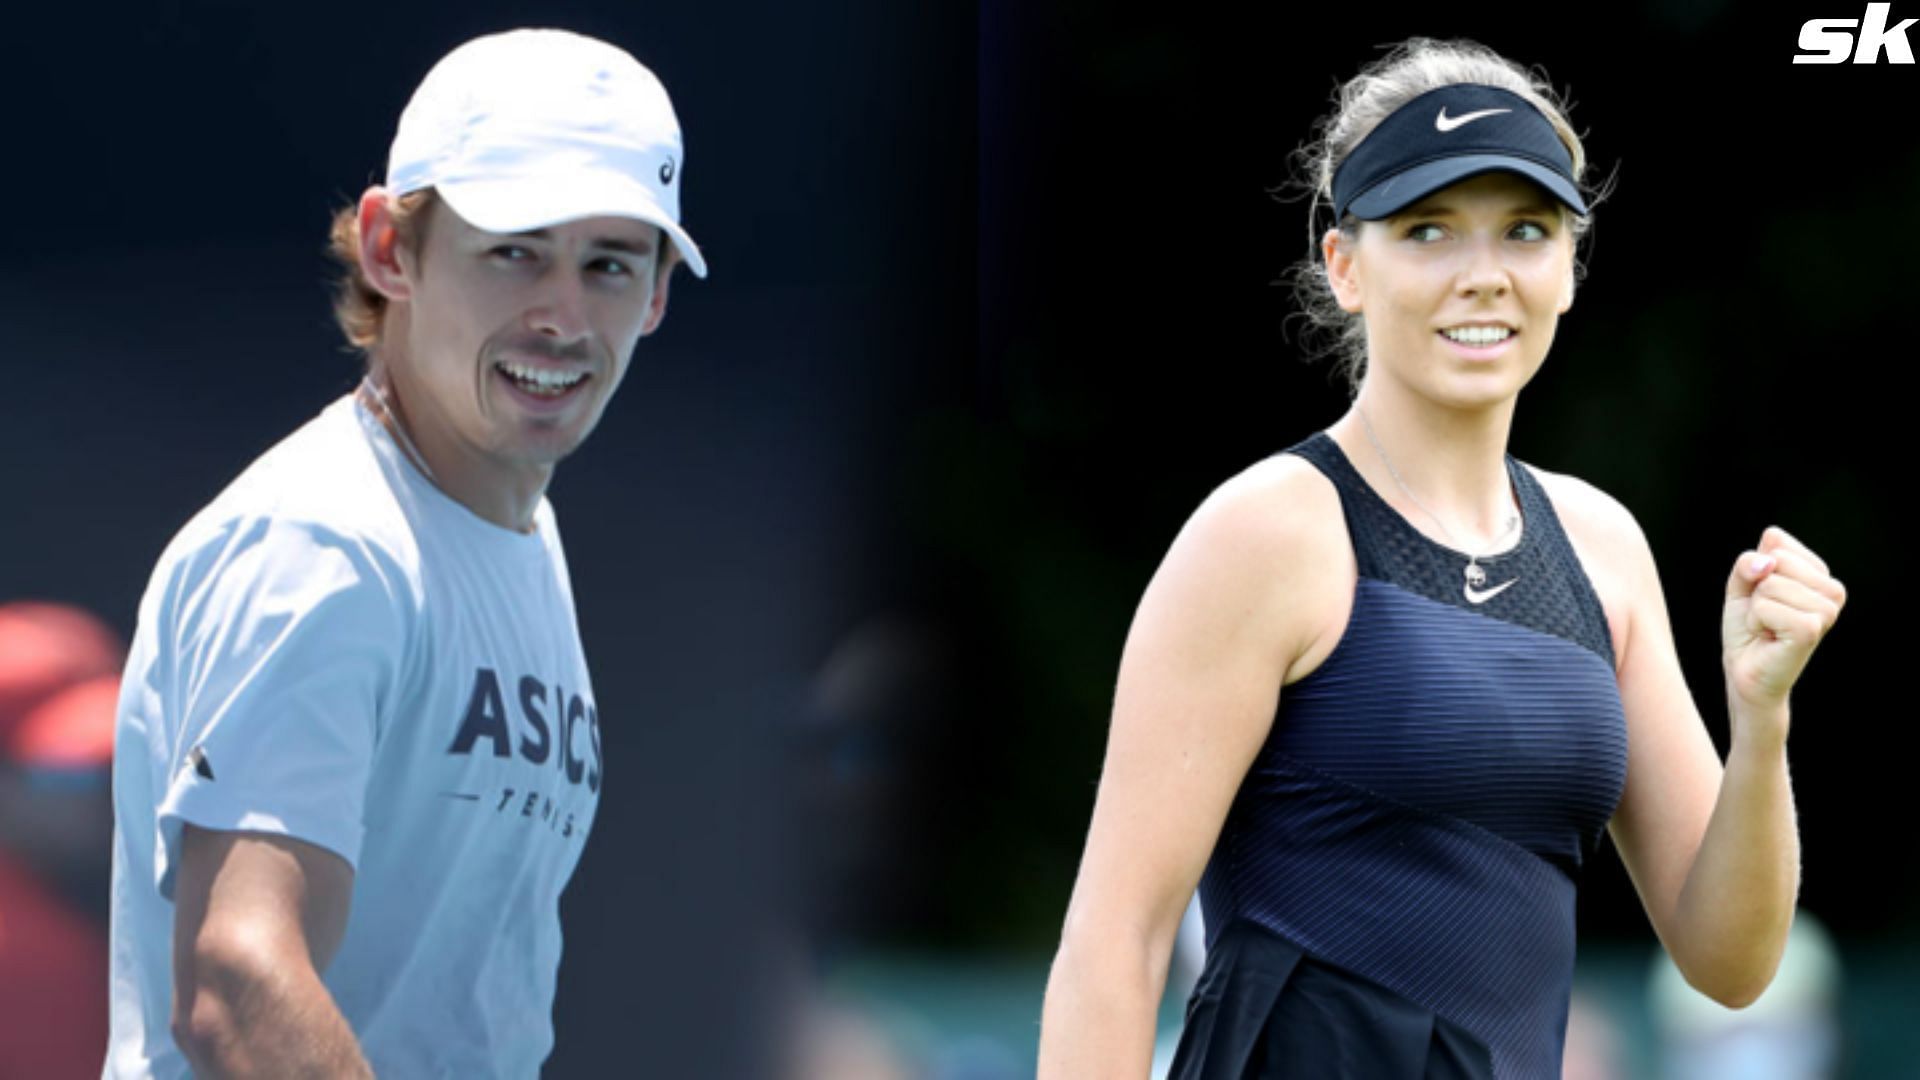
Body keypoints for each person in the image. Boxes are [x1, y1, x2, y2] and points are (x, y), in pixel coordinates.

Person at [1036, 38, 1845, 1079]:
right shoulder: (1268, 533)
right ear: (1345, 266)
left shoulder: (1600, 549)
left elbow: (1732, 962)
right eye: (1427, 232)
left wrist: (1763, 715)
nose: (1484, 277)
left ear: (1568, 268)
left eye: (1525, 230)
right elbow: (1114, 948)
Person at [104, 27, 706, 1078]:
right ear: (392, 250)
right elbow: (240, 983)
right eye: (515, 250)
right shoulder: (322, 544)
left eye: (609, 265)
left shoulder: (518, 533)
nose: (564, 316)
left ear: (654, 297)